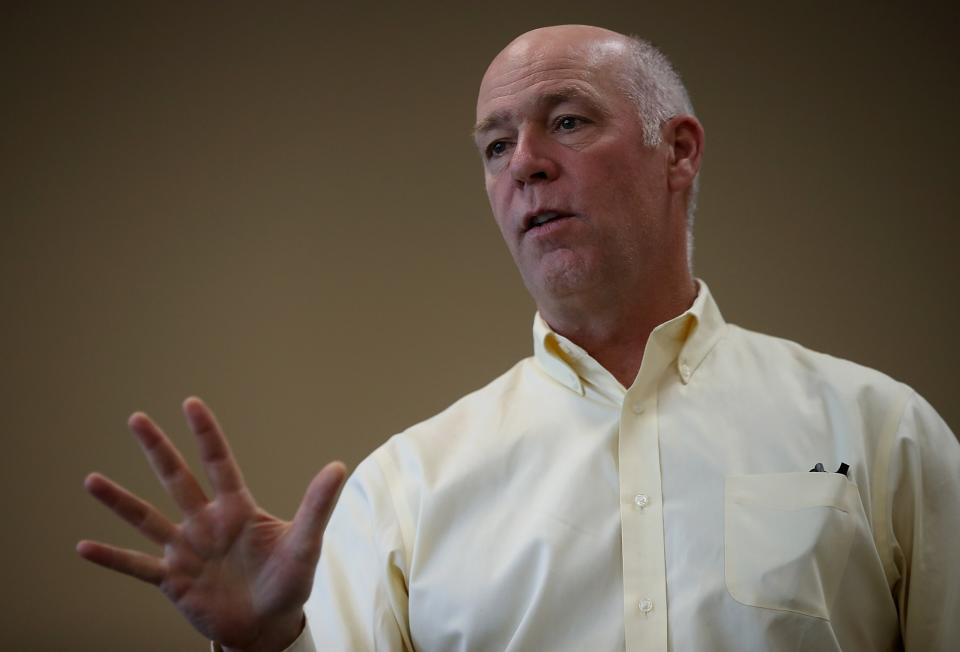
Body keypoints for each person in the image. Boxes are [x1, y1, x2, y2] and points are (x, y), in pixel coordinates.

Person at [77, 24, 960, 651]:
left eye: (567, 121)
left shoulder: (884, 432)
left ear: (678, 152)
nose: (525, 162)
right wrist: (268, 647)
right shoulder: (406, 487)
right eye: (496, 146)